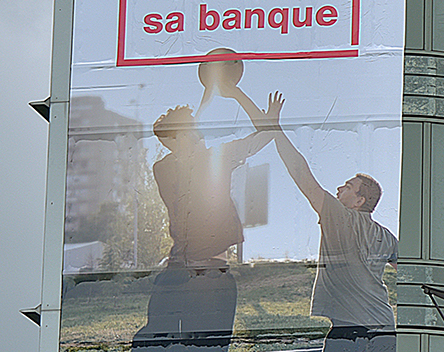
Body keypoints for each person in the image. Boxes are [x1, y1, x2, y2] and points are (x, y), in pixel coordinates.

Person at [254, 91, 398, 351]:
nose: (339, 188)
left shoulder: (339, 216)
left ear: (359, 201)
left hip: (350, 331)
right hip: (386, 330)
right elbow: (411, 273)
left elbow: (300, 173)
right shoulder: (386, 236)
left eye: (347, 186)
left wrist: (275, 129)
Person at [132, 94, 275, 350]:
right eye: (190, 129)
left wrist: (240, 97)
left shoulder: (217, 157)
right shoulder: (164, 168)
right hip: (177, 272)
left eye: (195, 128)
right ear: (174, 139)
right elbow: (163, 136)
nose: (197, 132)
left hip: (211, 274)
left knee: (208, 346)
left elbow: (265, 136)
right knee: (152, 343)